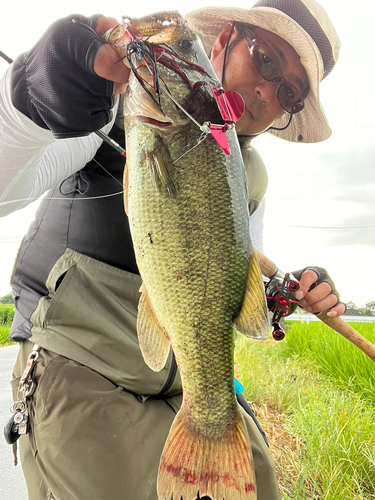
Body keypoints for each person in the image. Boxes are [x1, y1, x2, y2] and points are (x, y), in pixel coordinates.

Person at [0, 1, 345, 499]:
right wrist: (31, 97)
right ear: (223, 41)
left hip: (183, 384)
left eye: (289, 91)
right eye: (265, 59)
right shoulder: (114, 104)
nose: (267, 89)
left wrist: (285, 291)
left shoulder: (251, 177)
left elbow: (238, 288)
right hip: (80, 369)